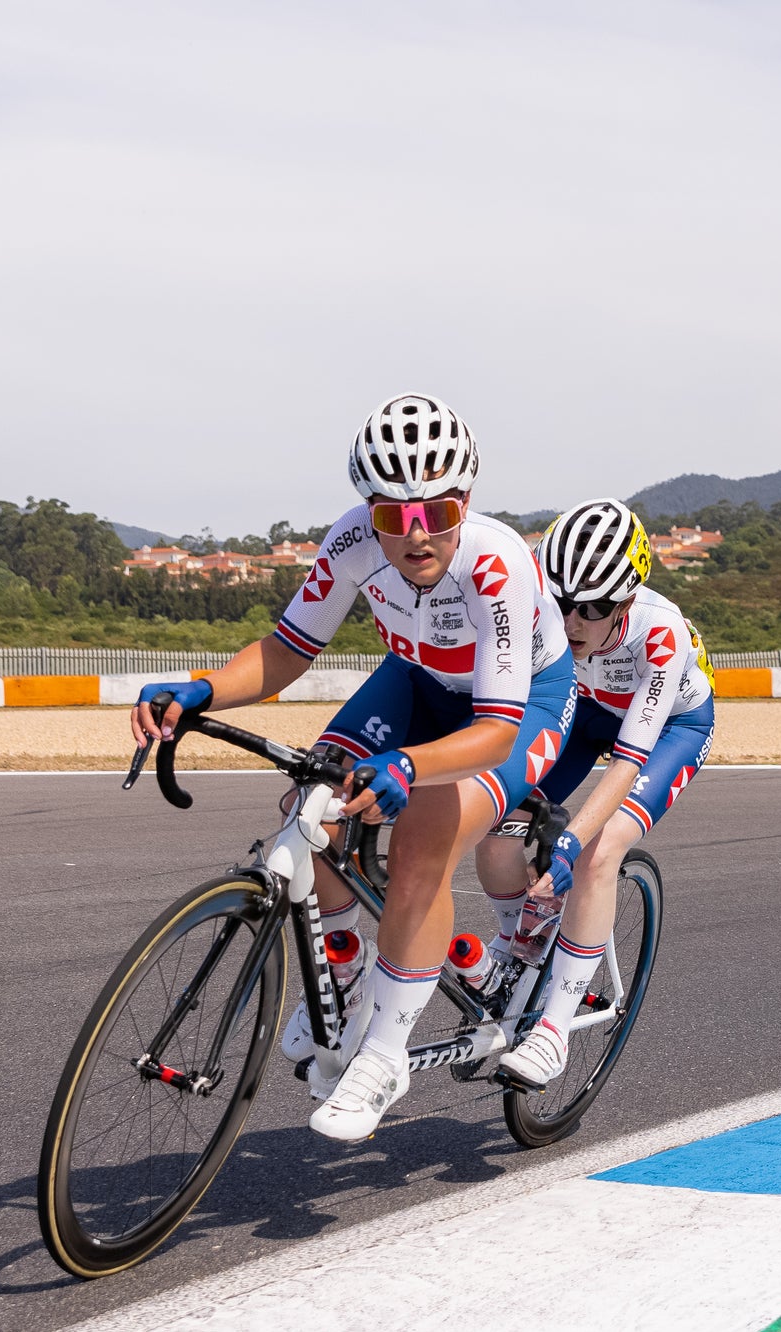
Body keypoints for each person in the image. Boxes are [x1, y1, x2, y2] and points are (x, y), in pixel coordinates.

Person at [132, 393, 573, 1141]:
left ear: (465, 501)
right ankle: (341, 965)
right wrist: (202, 689)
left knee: (424, 833)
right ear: (369, 513)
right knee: (308, 807)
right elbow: (286, 651)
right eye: (391, 515)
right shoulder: (348, 544)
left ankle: (383, 1055)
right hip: (414, 680)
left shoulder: (496, 565)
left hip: (519, 708)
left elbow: (496, 732)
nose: (415, 534)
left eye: (437, 512)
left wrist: (408, 764)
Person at [476, 498, 714, 1087]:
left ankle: (554, 1031)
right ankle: (517, 940)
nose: (574, 621)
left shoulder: (662, 634)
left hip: (667, 729)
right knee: (495, 819)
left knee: (596, 852)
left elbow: (629, 762)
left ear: (627, 602)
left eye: (595, 608)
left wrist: (571, 842)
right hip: (581, 711)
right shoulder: (538, 597)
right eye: (562, 604)